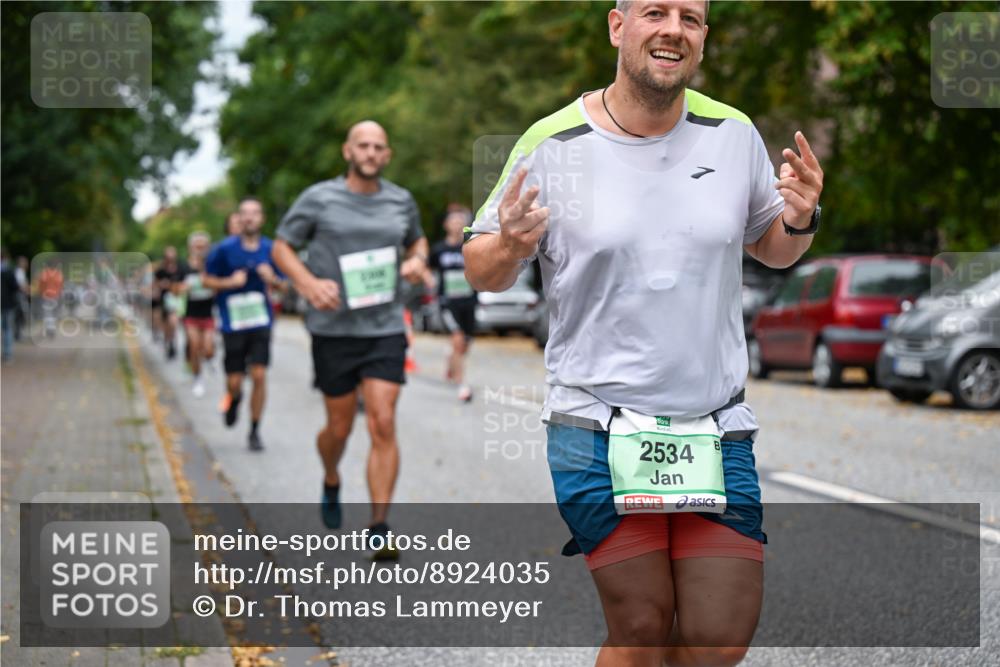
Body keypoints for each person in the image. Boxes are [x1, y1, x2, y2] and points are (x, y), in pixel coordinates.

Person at [464, 1, 824, 665]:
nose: (673, 30)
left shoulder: (732, 132)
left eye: (690, 18)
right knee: (643, 624)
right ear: (617, 26)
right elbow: (481, 266)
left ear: (704, 38)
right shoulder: (553, 142)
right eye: (656, 12)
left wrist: (799, 220)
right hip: (596, 422)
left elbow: (771, 247)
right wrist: (511, 245)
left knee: (717, 639)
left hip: (713, 424)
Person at [272, 120, 428, 555]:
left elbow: (418, 243)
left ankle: (379, 526)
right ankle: (331, 476)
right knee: (338, 428)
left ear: (387, 155)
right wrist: (308, 285)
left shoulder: (401, 200)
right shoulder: (319, 198)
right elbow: (281, 247)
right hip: (334, 330)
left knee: (382, 420)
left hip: (385, 327)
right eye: (364, 145)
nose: (371, 152)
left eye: (379, 146)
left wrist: (417, 262)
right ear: (348, 151)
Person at [204, 197, 287, 451]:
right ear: (239, 219)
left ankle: (254, 430)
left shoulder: (272, 249)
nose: (249, 218)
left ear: (262, 219)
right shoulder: (223, 250)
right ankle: (235, 398)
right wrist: (229, 283)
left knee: (260, 375)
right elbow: (206, 280)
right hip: (233, 322)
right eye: (244, 214)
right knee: (235, 381)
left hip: (260, 320)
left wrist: (272, 278)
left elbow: (286, 285)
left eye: (255, 213)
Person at [429, 207, 477, 402]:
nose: (457, 224)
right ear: (446, 225)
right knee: (457, 339)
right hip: (448, 302)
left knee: (465, 343)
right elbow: (427, 268)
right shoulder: (439, 250)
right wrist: (428, 280)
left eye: (461, 221)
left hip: (469, 301)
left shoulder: (472, 247)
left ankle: (451, 361)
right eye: (453, 221)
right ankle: (462, 385)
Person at [178, 231, 217, 398]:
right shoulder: (184, 266)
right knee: (194, 346)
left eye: (203, 245)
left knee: (208, 349)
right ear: (190, 247)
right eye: (197, 245)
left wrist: (212, 285)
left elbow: (219, 285)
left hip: (209, 313)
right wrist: (182, 288)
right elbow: (174, 288)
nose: (200, 248)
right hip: (190, 314)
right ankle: (198, 378)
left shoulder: (212, 264)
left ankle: (208, 360)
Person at [154, 247, 185, 359]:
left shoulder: (181, 269)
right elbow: (155, 284)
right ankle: (169, 342)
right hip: (165, 300)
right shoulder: (160, 270)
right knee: (167, 325)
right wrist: (160, 286)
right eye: (168, 256)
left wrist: (175, 286)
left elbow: (184, 283)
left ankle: (173, 343)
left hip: (177, 299)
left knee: (174, 321)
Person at [1, 249, 19, 361]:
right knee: (7, 329)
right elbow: (15, 287)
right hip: (7, 304)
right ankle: (7, 354)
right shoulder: (9, 271)